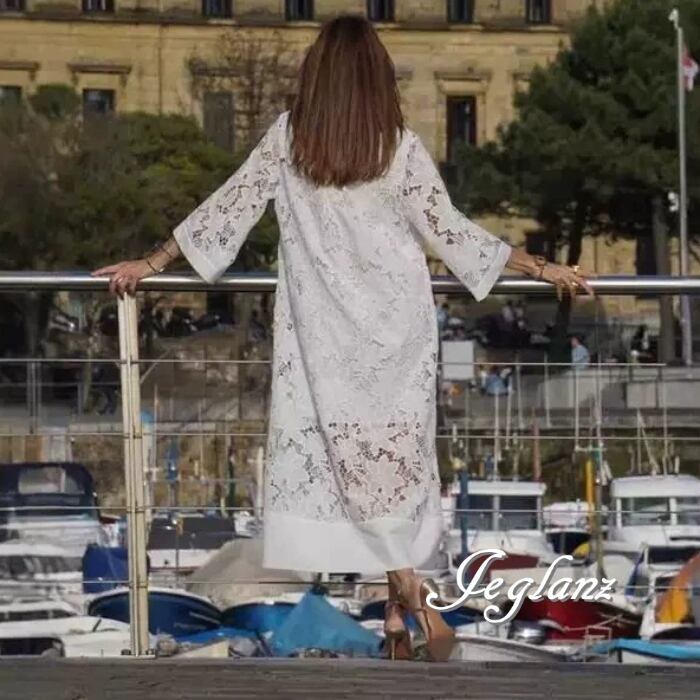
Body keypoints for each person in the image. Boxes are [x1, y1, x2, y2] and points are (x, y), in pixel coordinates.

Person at [92, 16, 592, 662]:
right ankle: (407, 600)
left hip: (322, 338)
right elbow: (452, 231)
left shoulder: (289, 141)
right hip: (397, 337)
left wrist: (153, 262)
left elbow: (228, 209)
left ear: (317, 76)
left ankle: (401, 608)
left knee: (349, 469)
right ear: (376, 77)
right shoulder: (398, 148)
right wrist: (543, 268)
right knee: (388, 474)